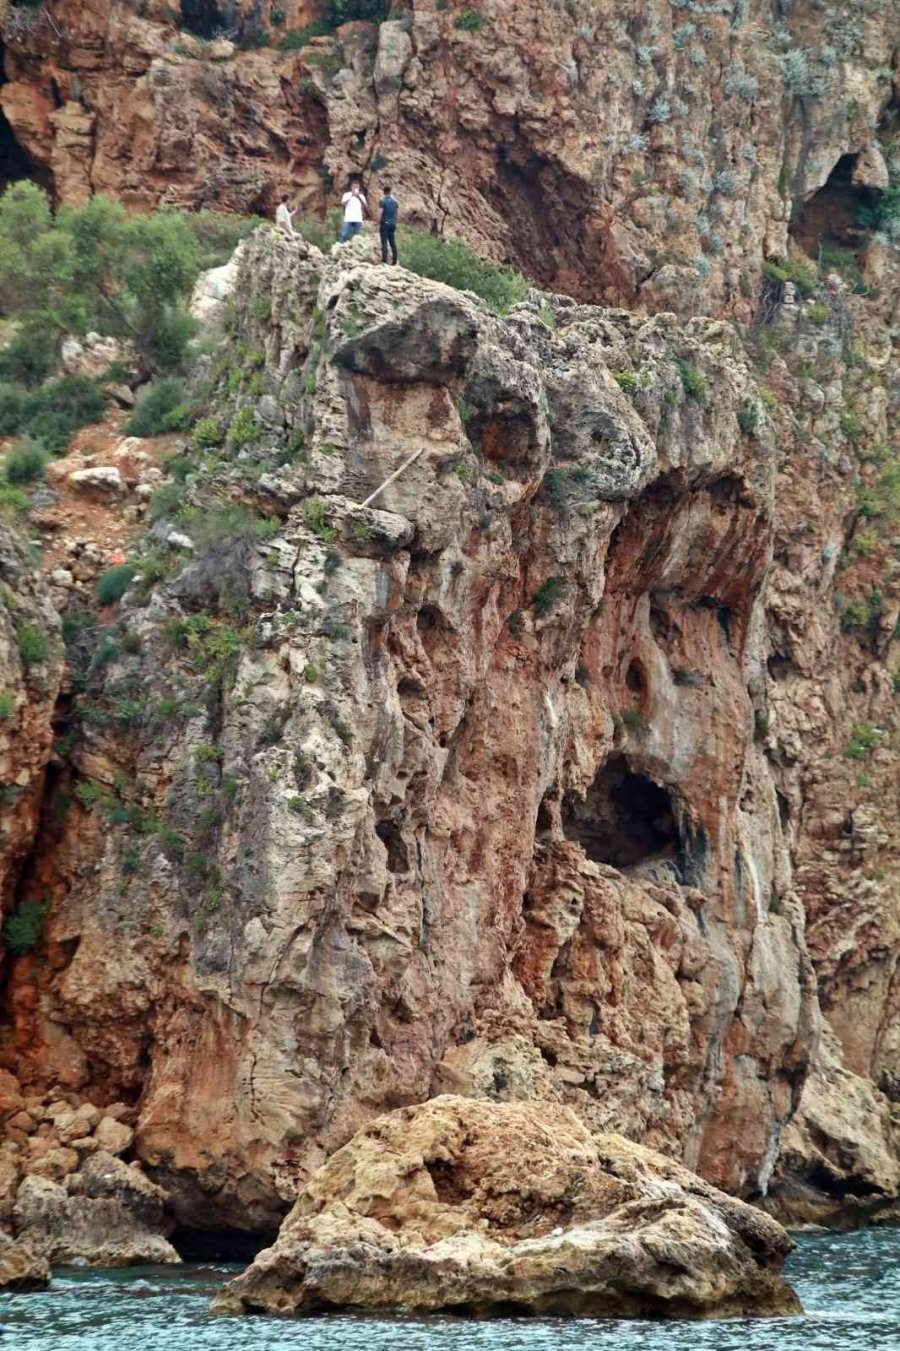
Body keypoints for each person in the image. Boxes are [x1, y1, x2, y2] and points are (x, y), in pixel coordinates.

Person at [378, 184, 399, 264]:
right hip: (392, 223)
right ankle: (394, 260)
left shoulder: (382, 201)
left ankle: (384, 260)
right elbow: (396, 213)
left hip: (384, 223)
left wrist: (378, 221)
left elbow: (380, 212)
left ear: (383, 192)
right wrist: (394, 221)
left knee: (384, 242)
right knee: (392, 242)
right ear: (390, 192)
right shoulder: (395, 202)